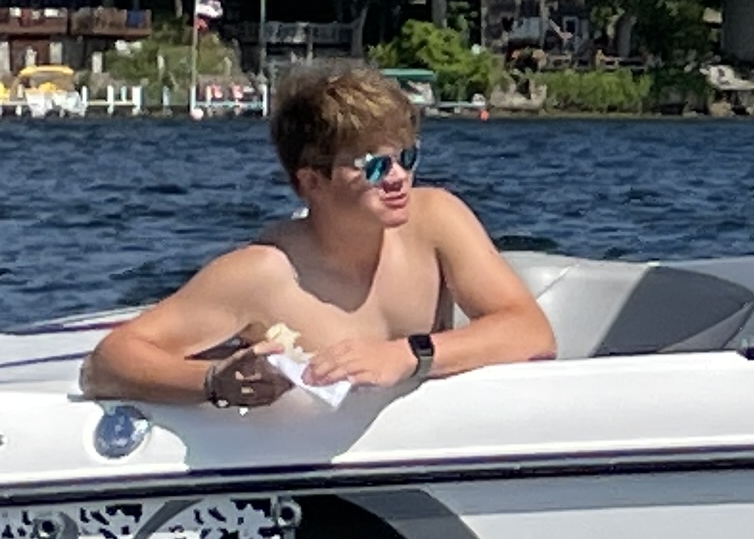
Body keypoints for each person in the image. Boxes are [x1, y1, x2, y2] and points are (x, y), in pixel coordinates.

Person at [84, 66, 554, 408]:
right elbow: (106, 363)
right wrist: (212, 382)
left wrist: (407, 355)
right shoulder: (261, 273)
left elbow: (532, 332)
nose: (398, 178)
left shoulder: (436, 220)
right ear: (312, 183)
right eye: (374, 166)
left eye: (406, 158)